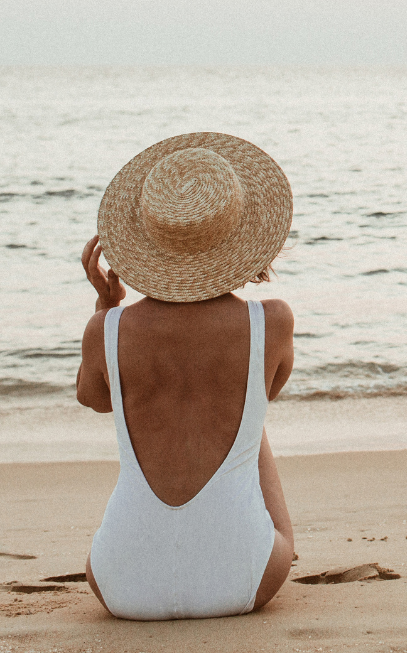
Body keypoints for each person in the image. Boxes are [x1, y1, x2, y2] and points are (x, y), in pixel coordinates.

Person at [75, 132, 295, 620]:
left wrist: (107, 309)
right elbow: (268, 391)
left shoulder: (106, 329)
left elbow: (94, 398)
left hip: (121, 585)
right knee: (248, 418)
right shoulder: (272, 321)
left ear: (146, 239)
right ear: (243, 237)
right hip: (244, 574)